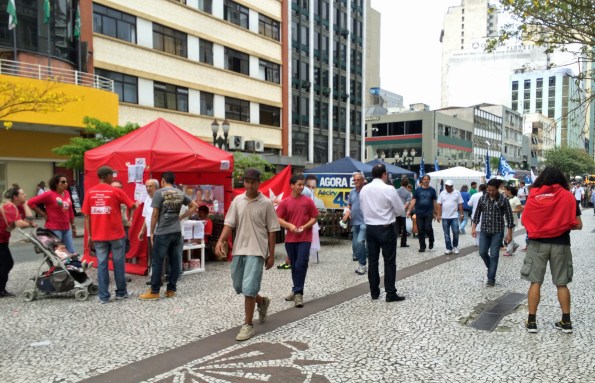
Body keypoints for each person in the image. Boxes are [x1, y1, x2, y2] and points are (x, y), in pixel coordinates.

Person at [216, 168, 280, 341]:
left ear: (259, 183)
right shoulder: (238, 200)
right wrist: (220, 240)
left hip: (257, 251)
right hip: (239, 250)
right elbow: (229, 223)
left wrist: (271, 254)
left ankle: (248, 325)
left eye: (253, 182)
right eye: (247, 181)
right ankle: (262, 301)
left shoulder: (266, 203)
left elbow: (272, 230)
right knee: (239, 286)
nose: (249, 185)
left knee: (249, 287)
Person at [521, 166, 582, 334]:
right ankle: (566, 322)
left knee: (535, 282)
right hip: (561, 244)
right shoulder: (568, 197)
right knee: (561, 283)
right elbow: (578, 225)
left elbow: (524, 221)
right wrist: (559, 225)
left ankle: (532, 322)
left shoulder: (534, 197)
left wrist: (542, 226)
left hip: (537, 244)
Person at [83, 166, 137, 304]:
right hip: (116, 234)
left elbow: (87, 215)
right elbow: (132, 206)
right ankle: (121, 293)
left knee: (102, 264)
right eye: (112, 175)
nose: (113, 177)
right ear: (106, 176)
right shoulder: (115, 191)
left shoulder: (90, 192)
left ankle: (104, 296)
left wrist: (89, 235)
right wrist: (136, 204)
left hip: (98, 235)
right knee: (119, 263)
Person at [140, 172, 198, 300]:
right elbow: (194, 205)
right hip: (177, 232)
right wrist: (182, 217)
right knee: (175, 261)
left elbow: (155, 214)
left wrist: (151, 232)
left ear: (162, 181)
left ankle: (154, 291)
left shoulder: (159, 193)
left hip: (162, 232)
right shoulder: (180, 193)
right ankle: (171, 289)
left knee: (157, 261)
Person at [359, 164, 406, 302]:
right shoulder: (389, 189)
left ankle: (374, 292)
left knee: (373, 261)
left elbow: (362, 209)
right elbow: (399, 210)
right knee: (389, 261)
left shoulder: (364, 190)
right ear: (384, 174)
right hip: (386, 227)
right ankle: (390, 293)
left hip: (370, 228)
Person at [276, 174, 319, 308]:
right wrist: (290, 226)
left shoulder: (308, 201)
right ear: (292, 186)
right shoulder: (285, 202)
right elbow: (278, 218)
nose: (301, 187)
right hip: (290, 239)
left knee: (301, 263)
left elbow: (314, 217)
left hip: (305, 238)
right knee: (294, 265)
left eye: (302, 185)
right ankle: (295, 290)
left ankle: (299, 293)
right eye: (299, 184)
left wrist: (305, 226)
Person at [471, 178, 514, 287]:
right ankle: (491, 268)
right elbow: (477, 214)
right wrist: (473, 227)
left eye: (493, 190)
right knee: (482, 252)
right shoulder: (483, 199)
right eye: (489, 190)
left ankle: (491, 278)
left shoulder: (503, 200)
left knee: (494, 255)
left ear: (498, 189)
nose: (490, 192)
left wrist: (509, 234)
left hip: (497, 232)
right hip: (484, 231)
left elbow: (509, 218)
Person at [0, 187, 36, 297]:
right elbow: (21, 223)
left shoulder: (16, 206)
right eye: (22, 194)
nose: (25, 195)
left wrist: (25, 205)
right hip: (0, 240)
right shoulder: (9, 206)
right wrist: (29, 223)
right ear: (15, 197)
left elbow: (29, 218)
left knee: (4, 263)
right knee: (7, 263)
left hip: (3, 239)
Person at [28, 174, 77, 254]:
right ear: (56, 184)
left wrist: (73, 226)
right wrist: (42, 213)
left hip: (66, 228)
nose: (66, 184)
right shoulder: (49, 194)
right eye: (63, 182)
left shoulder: (67, 193)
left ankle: (70, 266)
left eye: (66, 182)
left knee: (71, 251)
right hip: (54, 228)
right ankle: (56, 267)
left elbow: (70, 210)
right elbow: (30, 203)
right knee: (58, 253)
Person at [341, 171, 368, 275]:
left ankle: (362, 265)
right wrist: (347, 212)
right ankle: (364, 256)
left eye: (358, 180)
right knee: (356, 245)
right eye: (354, 180)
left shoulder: (366, 191)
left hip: (365, 221)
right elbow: (349, 205)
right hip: (354, 221)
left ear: (362, 181)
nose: (355, 181)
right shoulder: (352, 192)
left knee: (360, 241)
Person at [406, 174, 438, 253]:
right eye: (425, 179)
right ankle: (422, 246)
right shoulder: (417, 190)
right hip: (419, 212)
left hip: (428, 212)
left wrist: (436, 212)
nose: (426, 180)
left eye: (427, 179)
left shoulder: (432, 190)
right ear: (422, 181)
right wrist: (409, 210)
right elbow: (413, 201)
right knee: (420, 230)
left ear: (429, 180)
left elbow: (434, 202)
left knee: (428, 227)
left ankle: (431, 240)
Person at [138, 179, 159, 285]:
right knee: (151, 254)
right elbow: (146, 217)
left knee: (157, 254)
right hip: (149, 232)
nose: (148, 188)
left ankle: (157, 276)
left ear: (156, 187)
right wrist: (142, 231)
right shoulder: (147, 199)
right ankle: (153, 274)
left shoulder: (159, 199)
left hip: (157, 231)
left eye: (150, 186)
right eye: (146, 186)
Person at [436, 180, 464, 255]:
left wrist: (461, 214)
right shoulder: (442, 193)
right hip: (445, 217)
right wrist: (438, 215)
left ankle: (455, 246)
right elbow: (439, 204)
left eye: (448, 186)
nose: (447, 188)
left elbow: (460, 204)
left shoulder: (457, 193)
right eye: (446, 186)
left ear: (452, 186)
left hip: (454, 216)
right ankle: (448, 248)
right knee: (446, 233)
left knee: (455, 232)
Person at [111, 180, 132, 254]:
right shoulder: (108, 198)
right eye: (114, 187)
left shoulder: (124, 197)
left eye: (119, 187)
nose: (117, 189)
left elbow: (131, 206)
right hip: (112, 227)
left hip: (124, 225)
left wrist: (130, 219)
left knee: (124, 247)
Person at [503, 185, 522, 256]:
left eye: (505, 190)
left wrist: (512, 211)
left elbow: (520, 209)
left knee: (509, 235)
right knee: (504, 236)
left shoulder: (516, 199)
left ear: (509, 191)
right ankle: (515, 245)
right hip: (505, 219)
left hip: (512, 219)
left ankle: (509, 251)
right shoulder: (506, 198)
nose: (504, 191)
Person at [395, 178, 411, 248]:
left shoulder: (396, 191)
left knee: (395, 228)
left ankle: (393, 242)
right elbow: (407, 203)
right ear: (407, 185)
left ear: (401, 183)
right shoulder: (408, 193)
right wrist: (402, 209)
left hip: (395, 212)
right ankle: (403, 243)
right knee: (404, 229)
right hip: (403, 213)